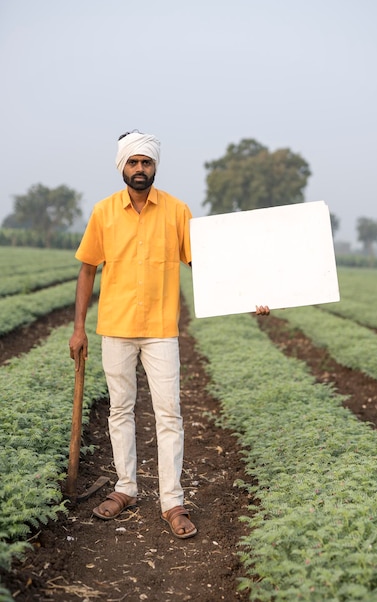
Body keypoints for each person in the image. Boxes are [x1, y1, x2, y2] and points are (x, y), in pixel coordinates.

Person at [69, 130, 269, 540]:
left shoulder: (177, 212)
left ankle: (171, 500)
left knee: (169, 415)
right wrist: (78, 328)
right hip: (115, 328)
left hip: (161, 329)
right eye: (133, 162)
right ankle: (125, 488)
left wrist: (249, 297)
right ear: (122, 166)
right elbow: (88, 268)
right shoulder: (103, 212)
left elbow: (203, 265)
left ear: (155, 166)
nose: (139, 169)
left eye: (146, 162)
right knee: (120, 411)